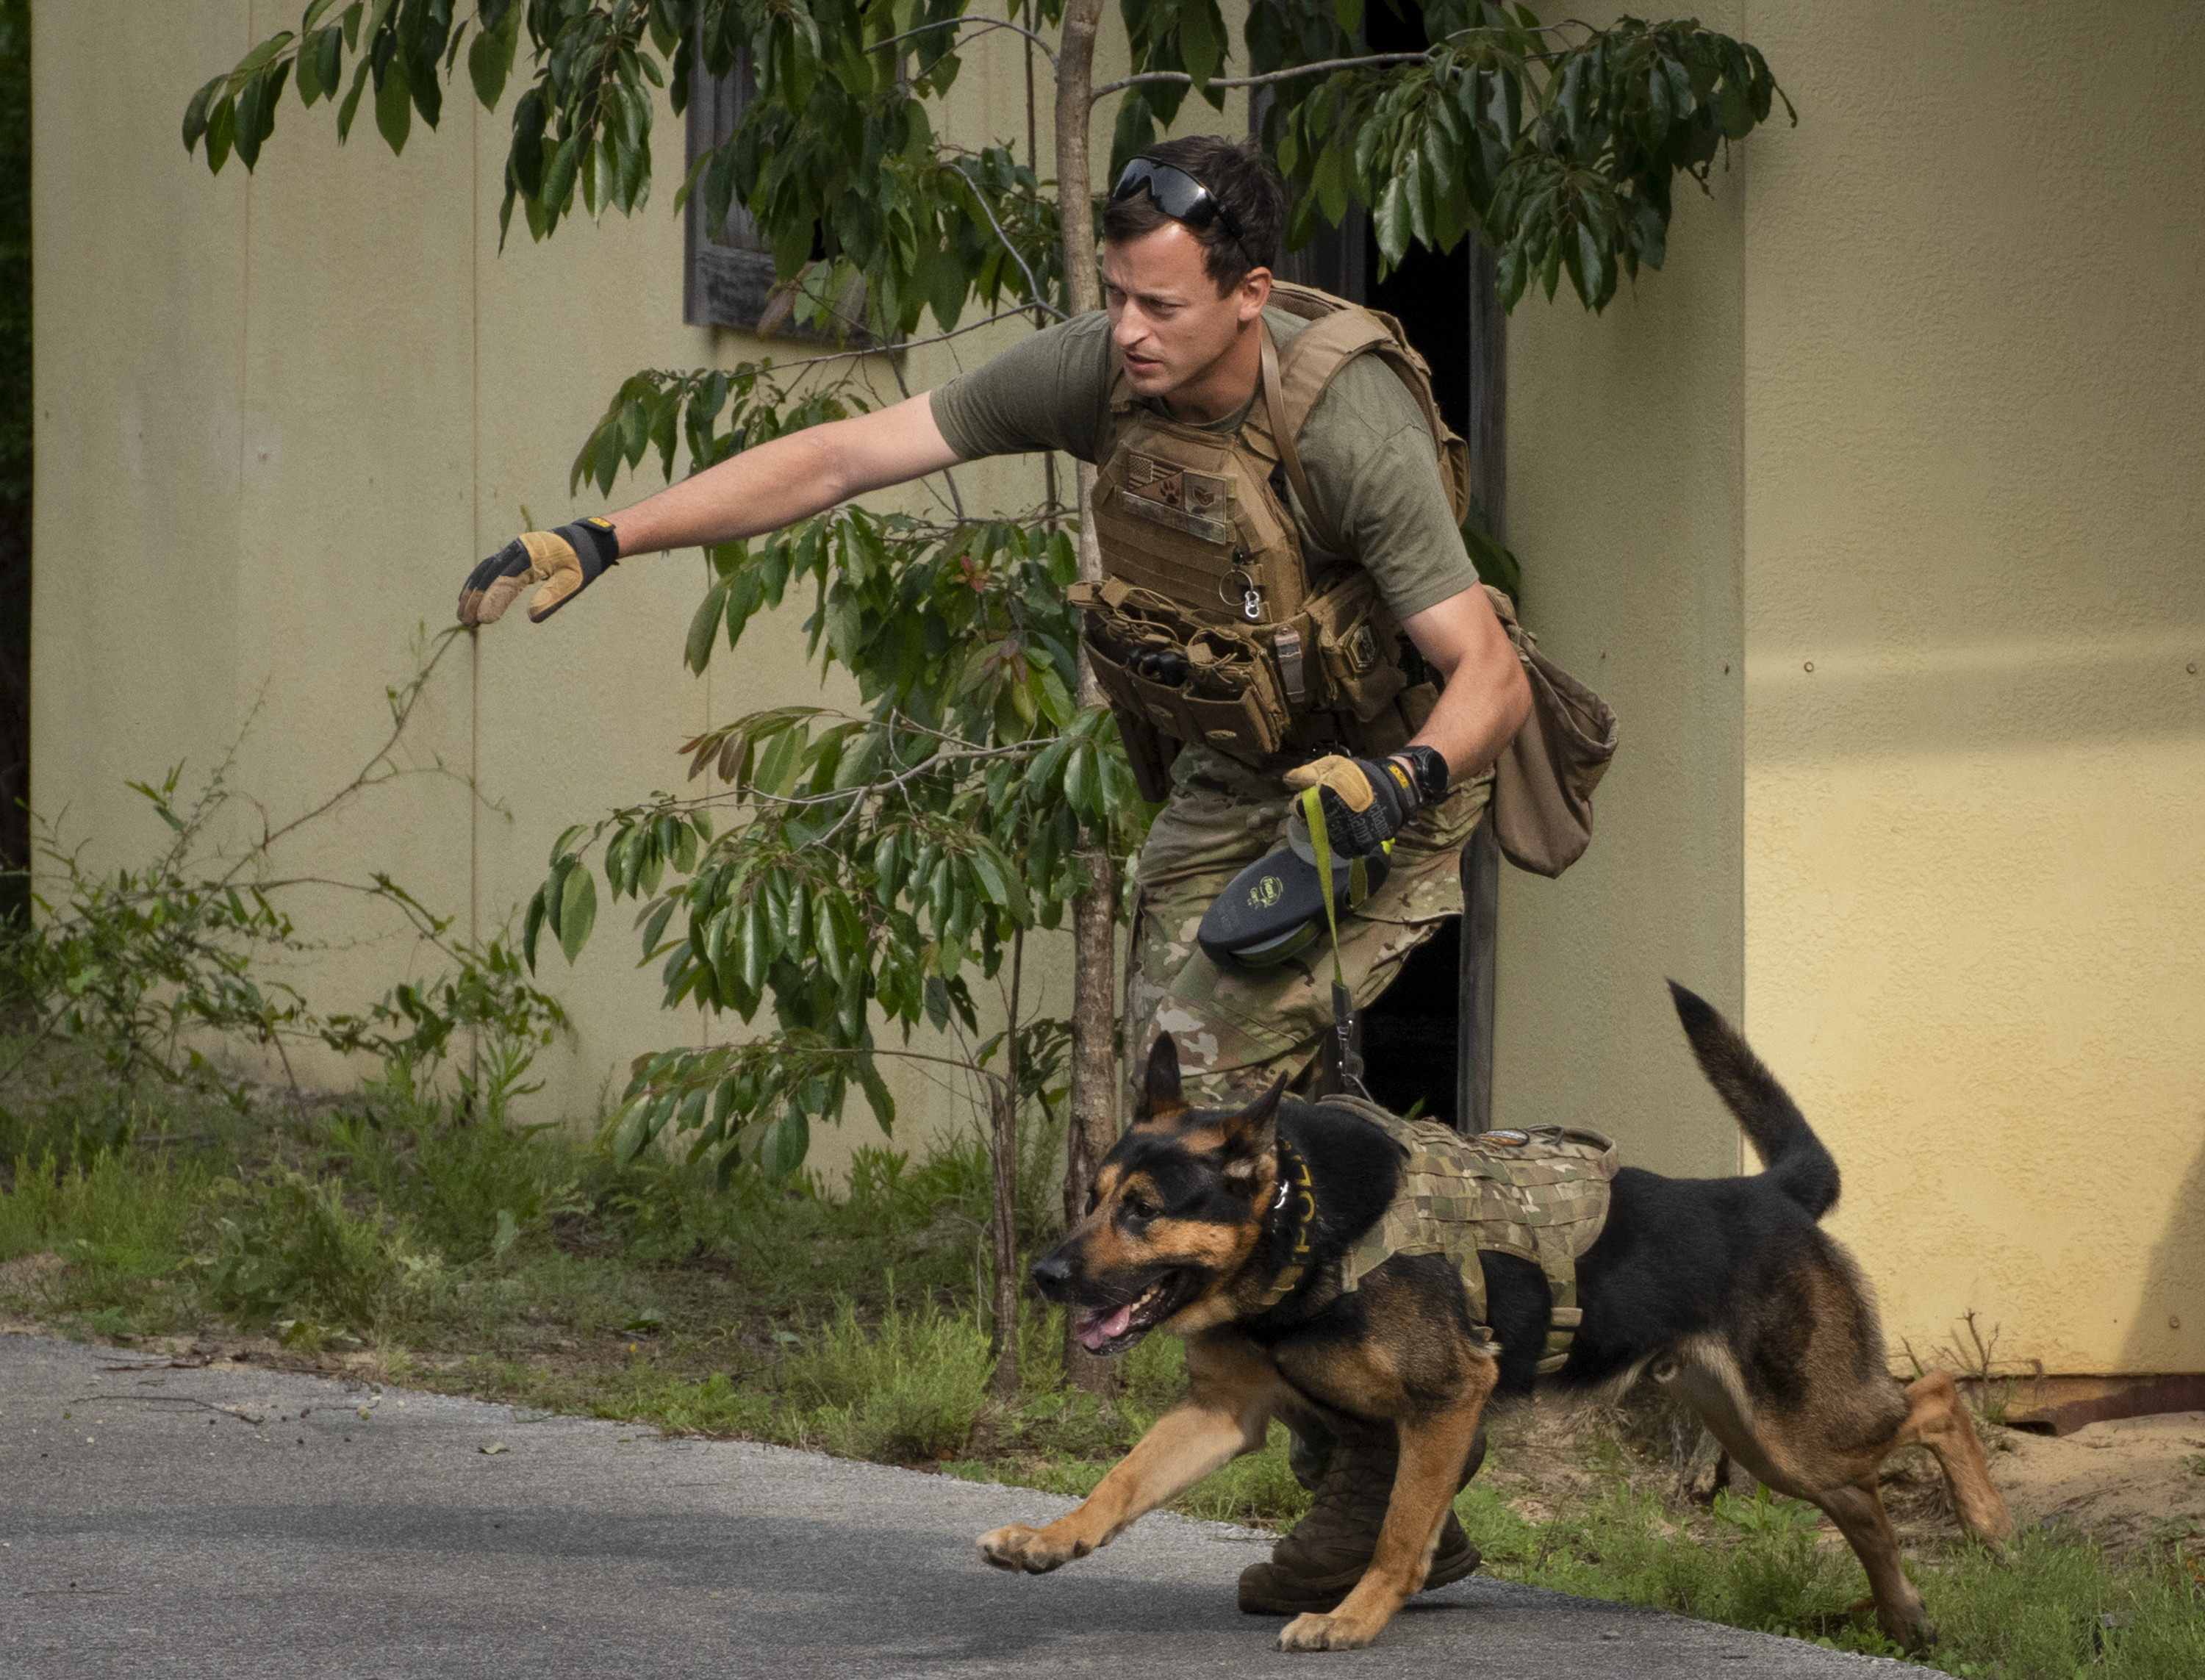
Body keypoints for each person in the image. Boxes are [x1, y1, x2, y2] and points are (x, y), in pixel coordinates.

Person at [457, 134, 1531, 1618]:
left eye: (1160, 305)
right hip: (1243, 769)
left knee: (1218, 1074)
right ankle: (1389, 1424)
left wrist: (1395, 784)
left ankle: (1376, 1474)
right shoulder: (1103, 369)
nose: (1127, 330)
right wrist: (607, 532)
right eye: (1117, 296)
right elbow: (845, 455)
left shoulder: (1348, 423)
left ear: (1251, 294)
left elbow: (1488, 675)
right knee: (1190, 1086)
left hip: (1398, 769)